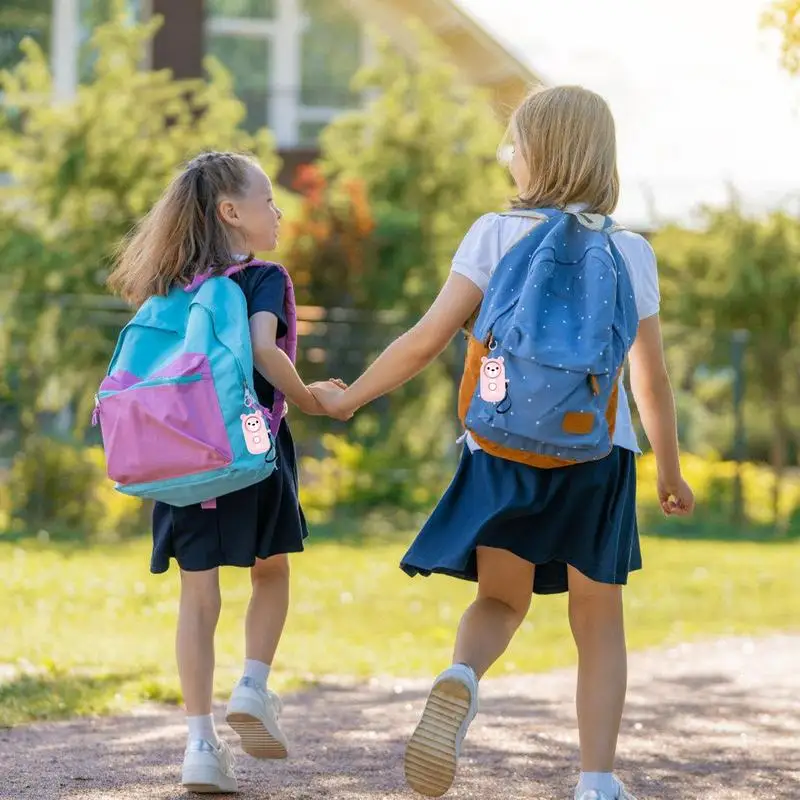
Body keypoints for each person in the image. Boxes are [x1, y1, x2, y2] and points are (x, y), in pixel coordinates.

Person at [312, 86, 695, 800]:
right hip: (597, 454)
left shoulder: (493, 234)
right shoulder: (630, 250)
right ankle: (597, 780)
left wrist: (350, 396)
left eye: (511, 145)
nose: (506, 158)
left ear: (537, 155)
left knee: (502, 600)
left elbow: (427, 339)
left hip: (500, 448)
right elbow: (652, 382)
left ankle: (461, 676)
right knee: (597, 617)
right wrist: (670, 470)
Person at [108, 151, 344, 794]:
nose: (278, 211)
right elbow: (265, 352)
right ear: (231, 213)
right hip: (247, 453)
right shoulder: (260, 277)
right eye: (268, 200)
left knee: (198, 594)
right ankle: (253, 685)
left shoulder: (168, 284)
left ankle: (200, 745)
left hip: (179, 460)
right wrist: (315, 396)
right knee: (270, 573)